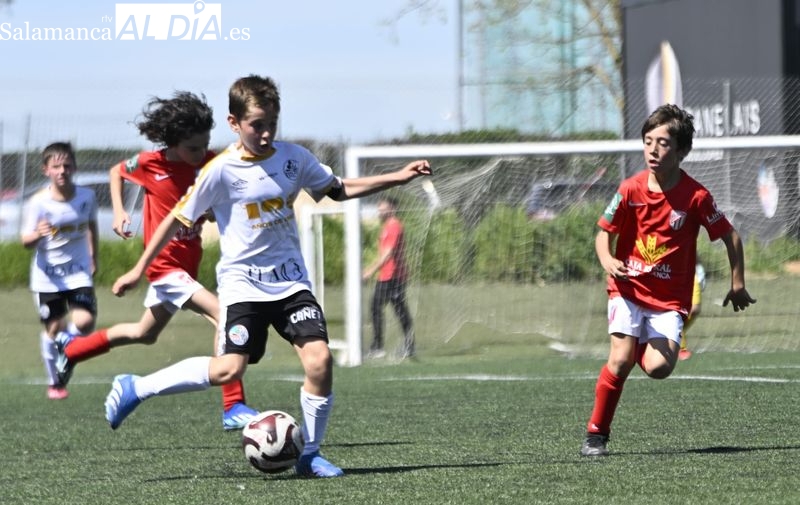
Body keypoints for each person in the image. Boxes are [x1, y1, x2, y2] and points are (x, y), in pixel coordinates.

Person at [103, 75, 432, 478]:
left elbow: (337, 188)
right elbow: (175, 218)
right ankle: (136, 387)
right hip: (242, 286)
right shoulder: (219, 170)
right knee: (229, 369)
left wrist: (398, 176)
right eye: (256, 124)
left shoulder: (293, 158)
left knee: (320, 361)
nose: (265, 133)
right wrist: (138, 269)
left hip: (291, 283)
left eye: (272, 123)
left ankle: (310, 456)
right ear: (234, 123)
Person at [54, 91, 257, 430]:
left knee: (144, 332)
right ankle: (233, 405)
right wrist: (120, 211)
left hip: (186, 266)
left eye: (204, 146)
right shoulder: (151, 164)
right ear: (173, 142)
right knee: (225, 315)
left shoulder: (209, 162)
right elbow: (117, 171)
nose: (199, 154)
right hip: (164, 267)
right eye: (192, 148)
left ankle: (73, 349)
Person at [580, 104, 756, 457]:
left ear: (681, 151)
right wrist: (607, 259)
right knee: (619, 360)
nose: (653, 150)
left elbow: (730, 236)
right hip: (628, 289)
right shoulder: (630, 189)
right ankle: (596, 434)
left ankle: (638, 345)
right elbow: (603, 233)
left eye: (662, 143)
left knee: (659, 368)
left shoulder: (696, 196)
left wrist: (737, 283)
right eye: (648, 142)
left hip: (668, 299)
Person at [21, 142, 99, 400]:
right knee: (54, 328)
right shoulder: (38, 202)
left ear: (74, 167)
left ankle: (67, 343)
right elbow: (26, 241)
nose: (62, 170)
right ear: (46, 170)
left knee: (85, 324)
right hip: (48, 276)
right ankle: (55, 382)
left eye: (67, 165)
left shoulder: (87, 196)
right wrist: (37, 234)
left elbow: (91, 226)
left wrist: (93, 257)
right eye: (56, 166)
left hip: (78, 271)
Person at [362, 196, 415, 359]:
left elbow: (388, 254)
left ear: (392, 209)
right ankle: (389, 346)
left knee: (394, 309)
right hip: (386, 275)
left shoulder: (394, 226)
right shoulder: (386, 226)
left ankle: (380, 347)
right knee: (384, 307)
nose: (380, 211)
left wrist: (370, 271)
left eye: (383, 208)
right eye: (379, 208)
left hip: (394, 276)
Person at [678, 262, 706, 360]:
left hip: (691, 272)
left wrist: (700, 269)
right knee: (675, 312)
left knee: (695, 309)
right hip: (672, 272)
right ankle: (681, 348)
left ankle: (675, 334)